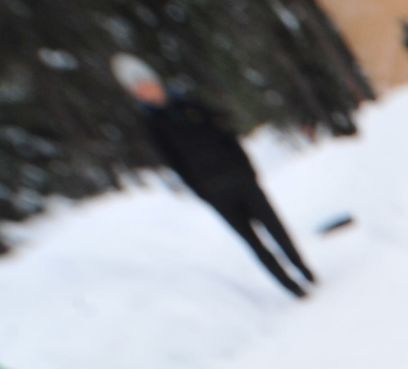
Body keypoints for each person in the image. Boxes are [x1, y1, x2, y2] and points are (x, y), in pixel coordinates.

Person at [113, 53, 318, 300]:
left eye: (148, 84)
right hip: (216, 192)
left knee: (276, 229)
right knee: (254, 242)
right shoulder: (153, 127)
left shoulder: (191, 105)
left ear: (157, 82)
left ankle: (304, 270)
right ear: (136, 95)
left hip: (241, 179)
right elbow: (175, 164)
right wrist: (203, 192)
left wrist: (247, 169)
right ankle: (290, 286)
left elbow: (226, 135)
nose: (148, 91)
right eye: (140, 89)